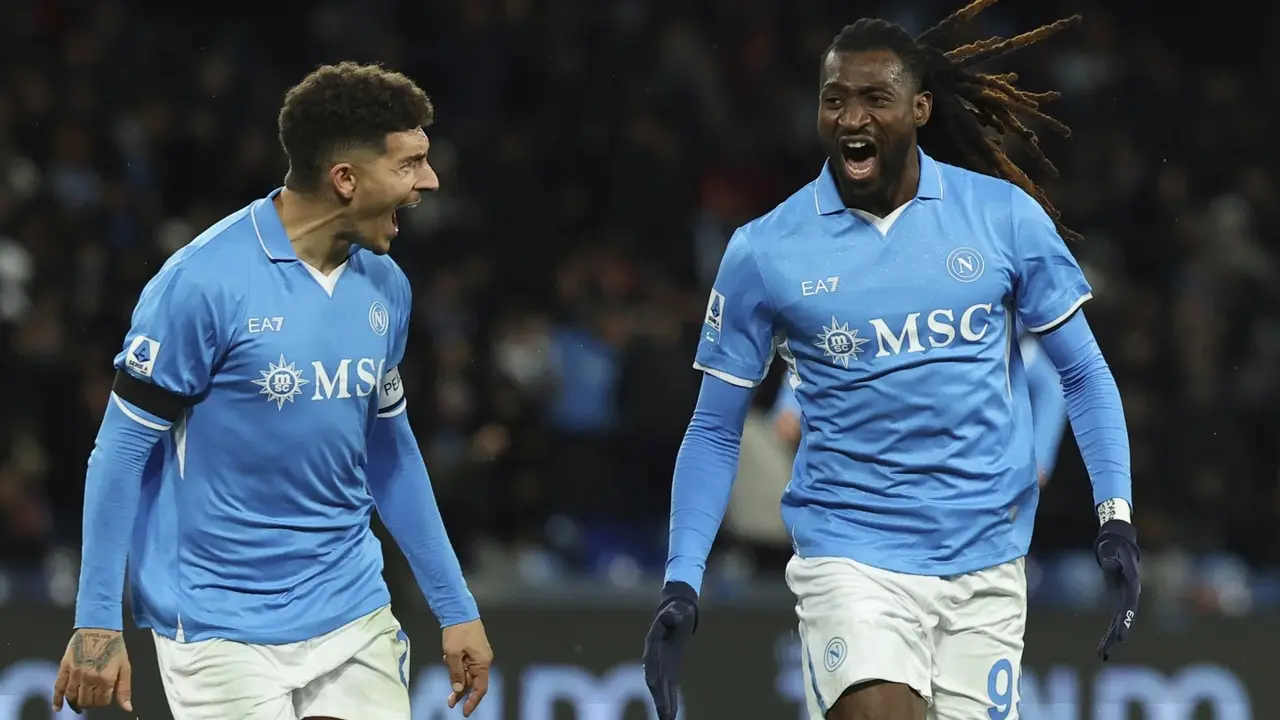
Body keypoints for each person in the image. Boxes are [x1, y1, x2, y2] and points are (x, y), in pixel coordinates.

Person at [642, 4, 1140, 720]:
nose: (851, 118)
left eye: (875, 98)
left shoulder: (1003, 217)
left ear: (920, 108)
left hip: (987, 561)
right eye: (834, 99)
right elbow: (716, 429)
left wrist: (1115, 515)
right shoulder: (765, 251)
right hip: (852, 557)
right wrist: (681, 580)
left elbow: (1084, 374)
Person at [52, 62, 493, 720]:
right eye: (410, 164)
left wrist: (455, 608)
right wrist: (96, 624)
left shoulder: (386, 289)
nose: (428, 182)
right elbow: (119, 453)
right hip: (215, 624)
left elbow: (390, 454)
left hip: (351, 612)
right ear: (345, 179)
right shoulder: (204, 283)